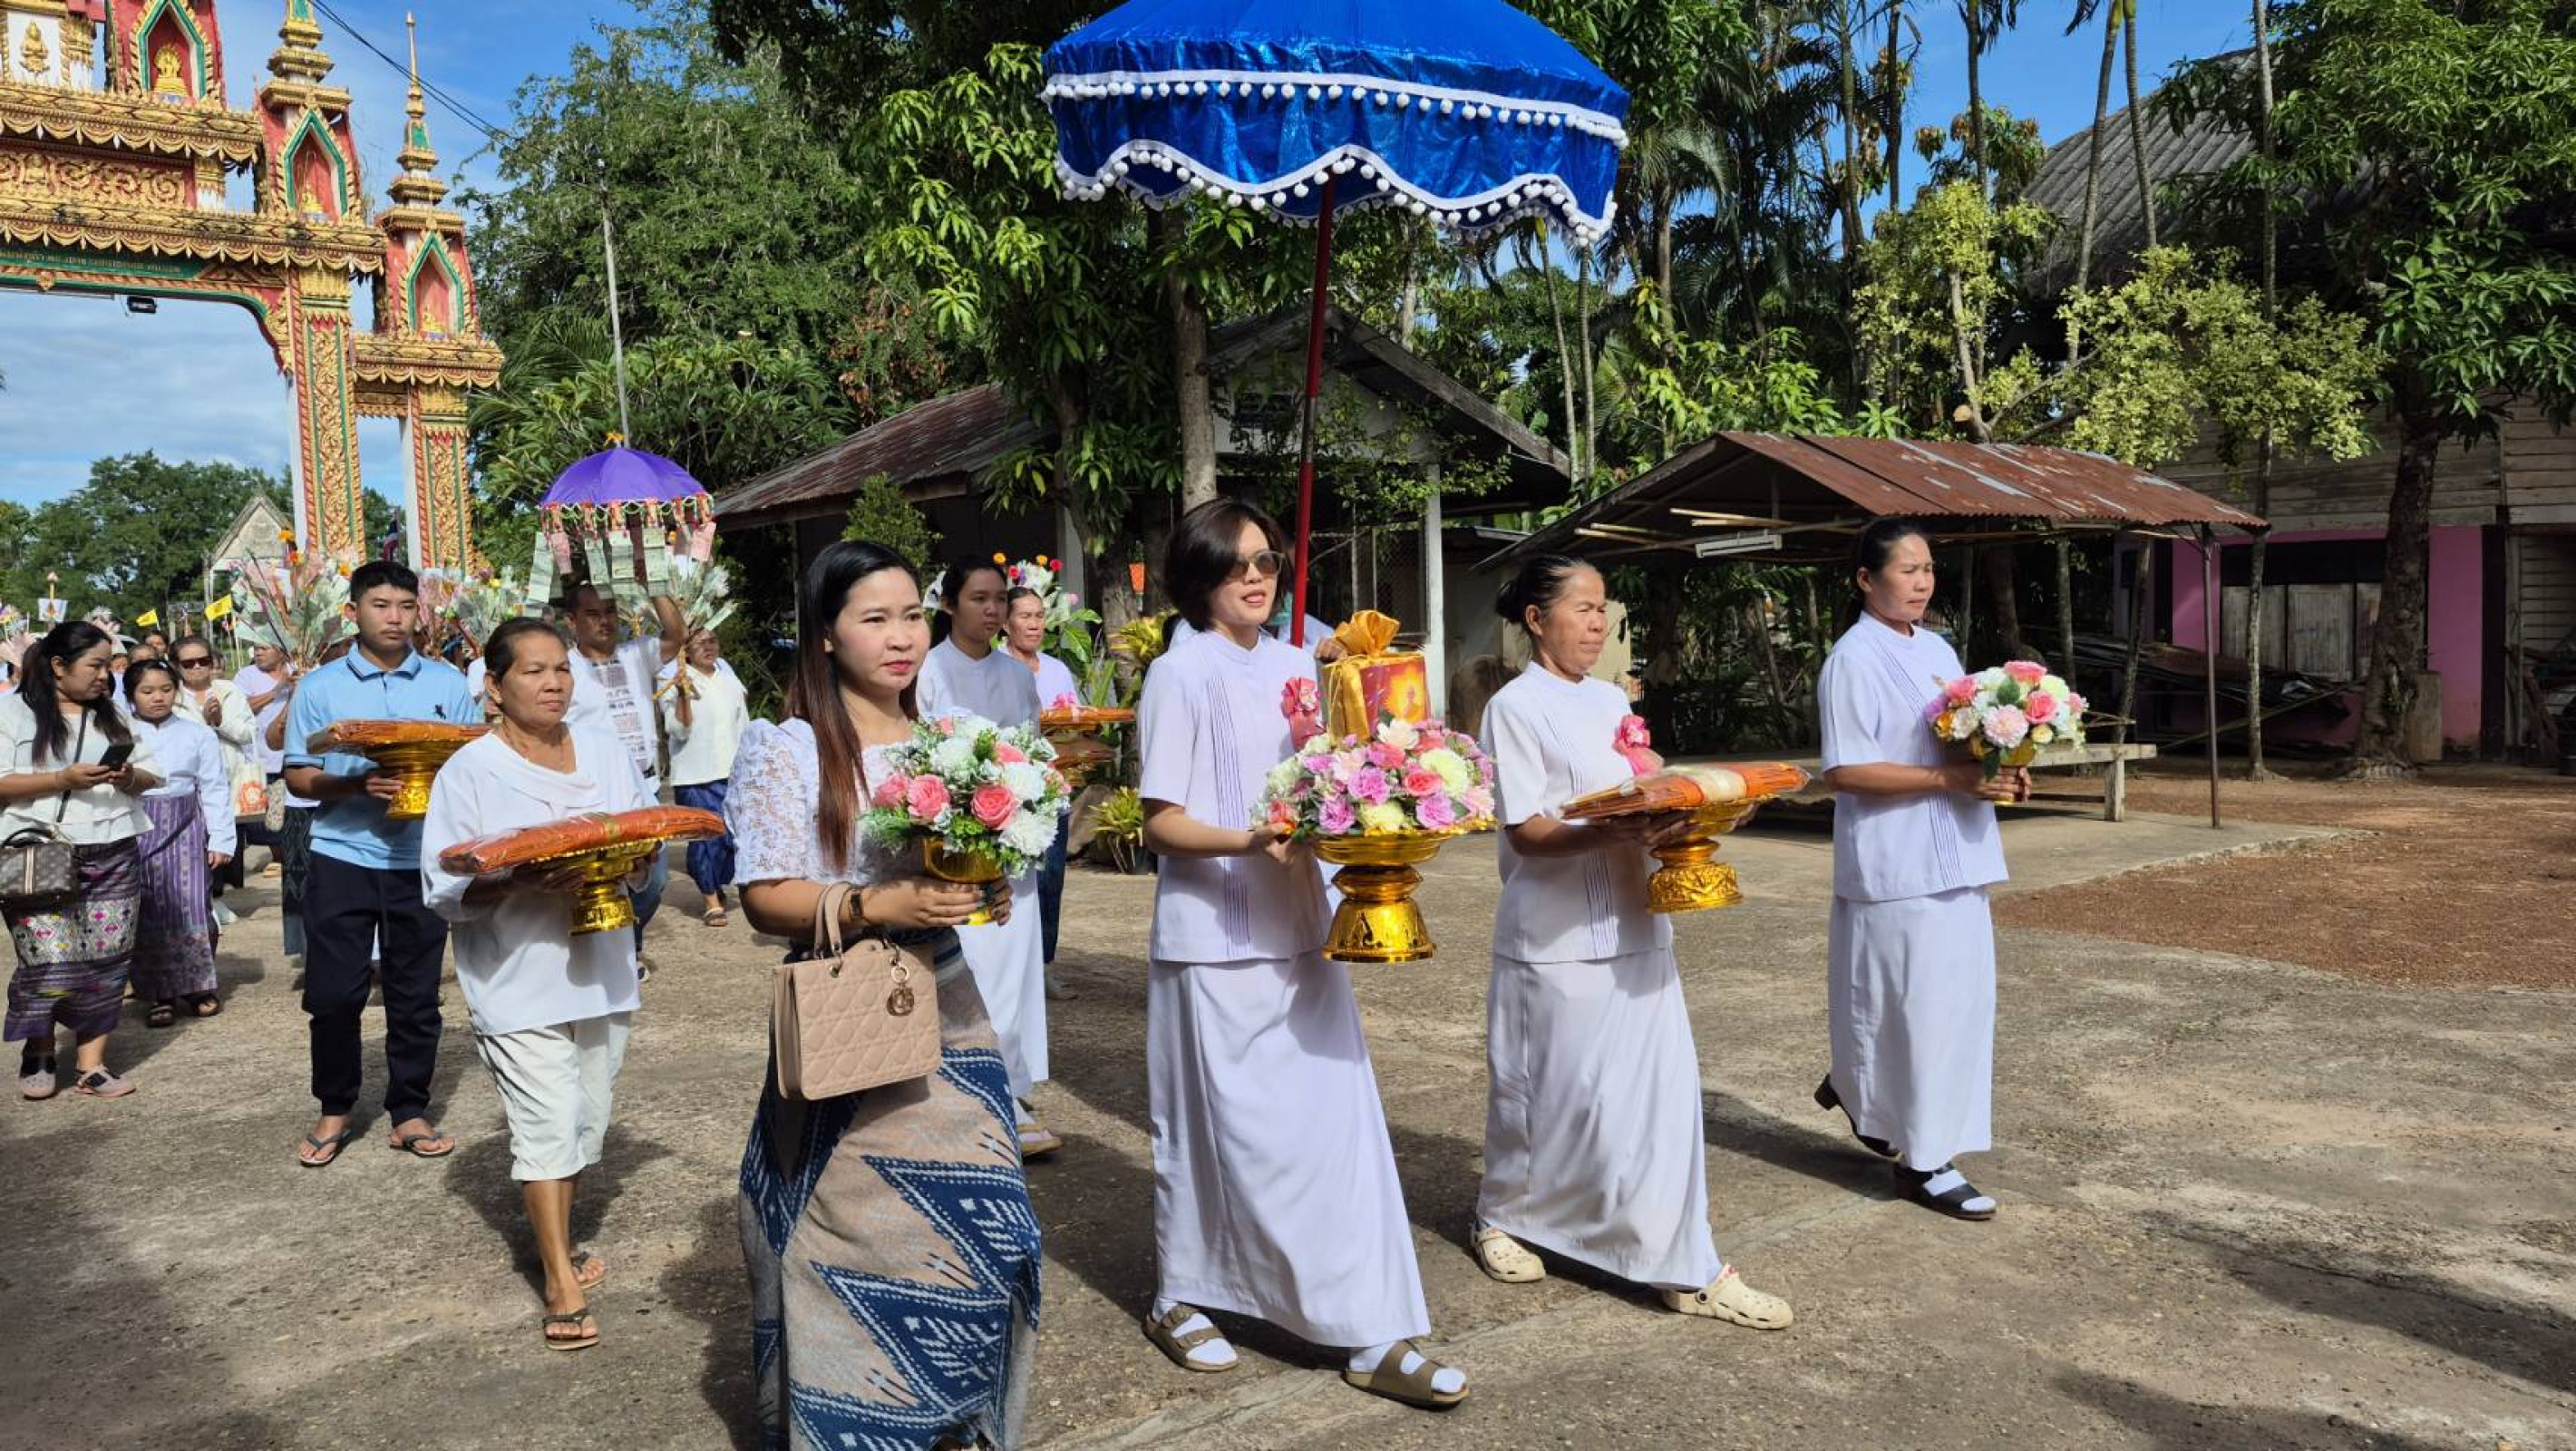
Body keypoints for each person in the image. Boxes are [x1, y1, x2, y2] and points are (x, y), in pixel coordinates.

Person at [1135, 499, 1465, 1408]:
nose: (1256, 576)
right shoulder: (1178, 672)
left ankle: (1369, 1325)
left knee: (1333, 1130)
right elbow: (1161, 824)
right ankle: (1182, 1291)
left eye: (1267, 560)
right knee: (1216, 1132)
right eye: (1235, 562)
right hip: (1214, 939)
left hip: (1307, 928)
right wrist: (1251, 840)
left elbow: (1349, 768)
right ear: (1197, 574)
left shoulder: (1302, 665)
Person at [726, 540, 1041, 1447]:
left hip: (949, 1000)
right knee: (853, 1233)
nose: (901, 637)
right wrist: (872, 903)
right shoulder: (790, 748)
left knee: (990, 1223)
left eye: (911, 615)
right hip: (846, 1010)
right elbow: (764, 897)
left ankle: (951, 1413)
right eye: (875, 618)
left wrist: (983, 882)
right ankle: (859, 1421)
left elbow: (977, 861)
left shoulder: (956, 742)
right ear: (826, 635)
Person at [1471, 555, 1795, 1328]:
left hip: (1635, 920)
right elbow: (1527, 831)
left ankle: (1685, 1264)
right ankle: (1503, 1215)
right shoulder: (1513, 708)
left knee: (1657, 1103)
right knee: (1548, 1098)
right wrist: (1617, 830)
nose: (1597, 624)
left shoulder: (1612, 699)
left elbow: (1642, 794)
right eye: (1582, 609)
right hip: (1553, 933)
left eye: (1602, 610)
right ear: (1535, 619)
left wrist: (1700, 814)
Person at [423, 618, 650, 1353]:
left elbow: (641, 842)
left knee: (586, 1117)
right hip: (516, 975)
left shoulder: (606, 751)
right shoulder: (470, 771)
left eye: (561, 669)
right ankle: (558, 1279)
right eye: (534, 671)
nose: (553, 684)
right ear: (494, 686)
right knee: (547, 1122)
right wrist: (525, 877)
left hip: (602, 967)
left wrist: (628, 863)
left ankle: (561, 1239)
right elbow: (444, 886)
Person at [1815, 519, 2028, 1221]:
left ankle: (1864, 1092)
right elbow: (1844, 769)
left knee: (1959, 1007)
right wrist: (1947, 781)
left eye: (1927, 568)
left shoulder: (1937, 648)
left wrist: (2000, 768)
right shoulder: (1851, 659)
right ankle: (1923, 1161)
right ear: (1864, 579)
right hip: (1897, 859)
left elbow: (1958, 745)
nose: (1921, 581)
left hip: (1959, 852)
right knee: (1913, 1011)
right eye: (1906, 570)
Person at [282, 561, 479, 1168]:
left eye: (405, 606)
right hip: (342, 854)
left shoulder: (447, 684)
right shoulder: (319, 688)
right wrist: (354, 785)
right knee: (333, 994)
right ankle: (335, 1107)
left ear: (420, 612)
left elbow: (470, 765)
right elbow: (297, 775)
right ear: (353, 612)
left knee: (415, 993)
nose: (395, 618)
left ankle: (409, 1109)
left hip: (420, 858)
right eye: (380, 605)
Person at [919, 557, 1055, 1158]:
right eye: (979, 598)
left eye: (999, 598)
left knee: (1016, 968)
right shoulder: (927, 671)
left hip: (1011, 843)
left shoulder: (1016, 675)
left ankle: (1012, 1091)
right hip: (954, 847)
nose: (993, 609)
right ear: (949, 604)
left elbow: (1034, 750)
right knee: (968, 965)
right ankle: (967, 1090)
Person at [1, 620, 161, 1100]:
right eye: (95, 665)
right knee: (49, 959)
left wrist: (128, 776)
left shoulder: (113, 714)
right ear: (58, 665)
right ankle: (40, 1048)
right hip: (38, 851)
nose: (105, 675)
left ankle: (92, 1065)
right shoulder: (12, 712)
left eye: (109, 665)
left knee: (108, 960)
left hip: (114, 851)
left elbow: (152, 775)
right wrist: (61, 780)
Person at [562, 584, 685, 961]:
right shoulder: (565, 668)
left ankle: (628, 942)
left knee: (654, 880)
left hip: (644, 788)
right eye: (592, 614)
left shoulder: (636, 654)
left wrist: (654, 583)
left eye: (610, 612)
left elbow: (677, 634)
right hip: (594, 792)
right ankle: (613, 953)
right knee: (602, 877)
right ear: (572, 621)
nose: (604, 621)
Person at [124, 660, 235, 1027]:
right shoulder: (117, 733)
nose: (158, 697)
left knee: (192, 905)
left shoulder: (197, 733)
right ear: (131, 694)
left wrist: (221, 838)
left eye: (166, 689)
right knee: (147, 908)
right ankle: (159, 993)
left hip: (186, 825)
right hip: (135, 826)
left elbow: (215, 787)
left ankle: (198, 987)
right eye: (147, 691)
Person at [1003, 587, 1079, 1003]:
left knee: (1051, 882)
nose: (1034, 624)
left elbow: (1076, 722)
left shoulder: (1057, 670)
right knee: (1011, 884)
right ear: (1006, 623)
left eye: (1039, 616)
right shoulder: (996, 669)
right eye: (1025, 616)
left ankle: (1045, 965)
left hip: (1055, 792)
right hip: (1009, 798)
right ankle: (1010, 968)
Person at [658, 628, 748, 928]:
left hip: (731, 770)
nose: (709, 647)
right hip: (695, 774)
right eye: (700, 643)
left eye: (712, 641)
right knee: (704, 837)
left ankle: (715, 883)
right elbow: (679, 730)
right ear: (685, 650)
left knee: (730, 838)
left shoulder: (727, 675)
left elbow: (742, 722)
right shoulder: (672, 679)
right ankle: (711, 900)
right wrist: (683, 695)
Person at [170, 635, 255, 920]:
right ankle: (198, 898)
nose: (197, 667)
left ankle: (216, 897)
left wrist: (219, 721)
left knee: (220, 837)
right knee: (193, 840)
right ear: (176, 665)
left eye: (203, 661)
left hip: (226, 777)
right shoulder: (171, 696)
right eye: (188, 663)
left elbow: (248, 733)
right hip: (186, 783)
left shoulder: (229, 691)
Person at [232, 641, 296, 878]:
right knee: (270, 814)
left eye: (264, 648)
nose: (258, 652)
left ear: (281, 651)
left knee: (294, 808)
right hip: (262, 755)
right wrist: (276, 691)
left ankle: (294, 852)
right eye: (256, 648)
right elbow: (240, 708)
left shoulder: (298, 669)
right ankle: (279, 856)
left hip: (295, 752)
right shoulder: (246, 675)